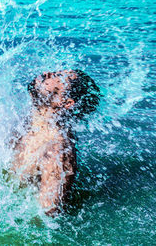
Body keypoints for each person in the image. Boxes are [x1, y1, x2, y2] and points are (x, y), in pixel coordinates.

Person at [9, 69, 100, 216]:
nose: (47, 73)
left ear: (66, 103)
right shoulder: (26, 123)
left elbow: (47, 215)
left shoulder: (57, 151)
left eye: (59, 77)